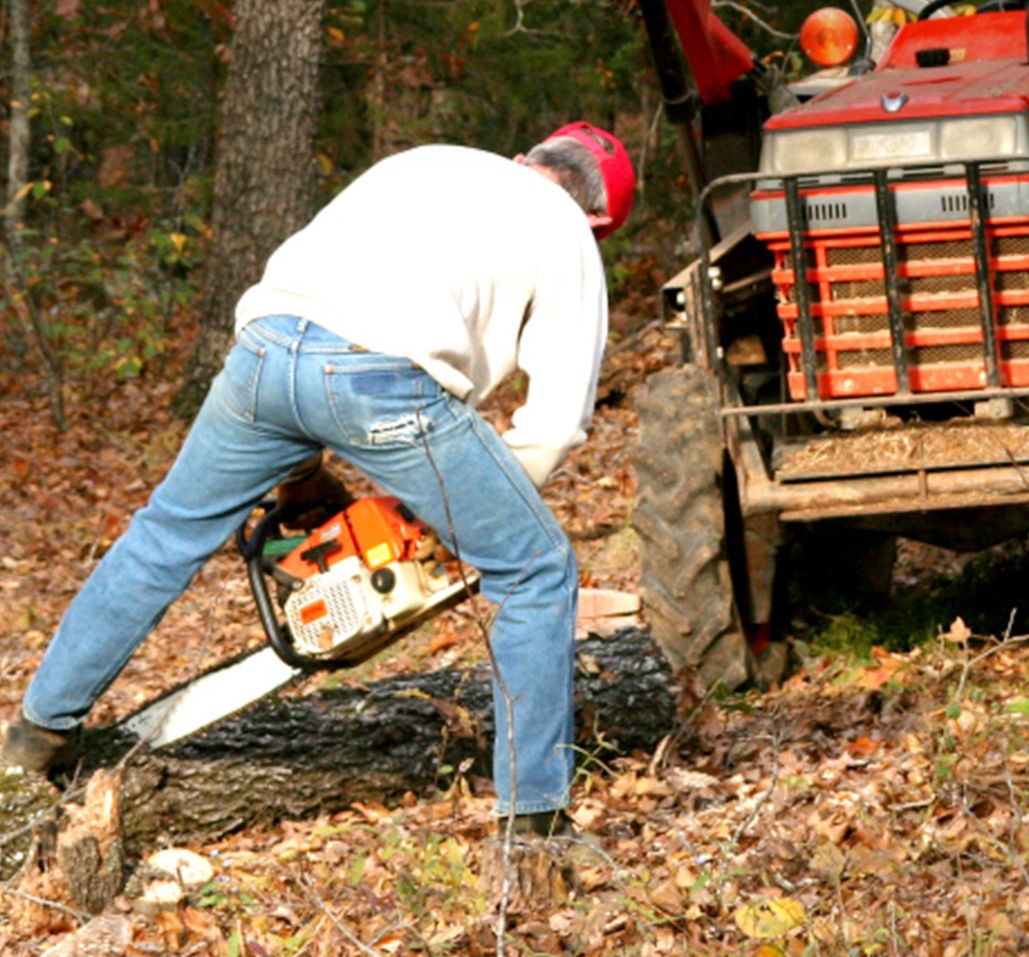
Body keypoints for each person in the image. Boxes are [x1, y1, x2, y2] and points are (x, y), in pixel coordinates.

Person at [1, 122, 635, 838]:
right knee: (536, 570)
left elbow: (316, 310)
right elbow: (555, 426)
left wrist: (302, 475)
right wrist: (470, 520)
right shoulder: (567, 231)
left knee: (163, 537)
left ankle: (38, 732)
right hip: (385, 382)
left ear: (527, 158)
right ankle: (536, 824)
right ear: (598, 221)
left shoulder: (430, 160)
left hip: (263, 349)